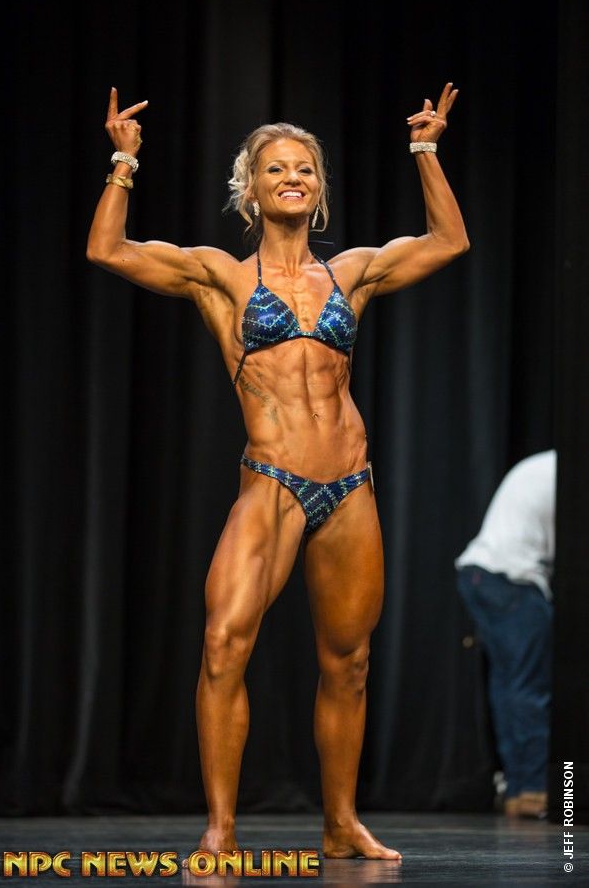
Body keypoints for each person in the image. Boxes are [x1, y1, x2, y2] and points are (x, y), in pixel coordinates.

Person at [87, 82, 468, 860]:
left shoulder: (351, 273)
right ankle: (221, 828)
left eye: (305, 169)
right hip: (273, 483)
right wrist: (124, 162)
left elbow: (447, 242)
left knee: (349, 663)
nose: (292, 177)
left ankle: (340, 824)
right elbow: (108, 251)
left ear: (319, 188)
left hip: (349, 485)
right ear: (251, 190)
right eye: (275, 169)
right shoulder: (222, 278)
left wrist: (425, 148)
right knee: (224, 644)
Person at [455, 450, 556, 819]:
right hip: (511, 578)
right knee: (530, 685)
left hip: (479, 574)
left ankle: (517, 789)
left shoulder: (543, 464)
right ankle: (533, 788)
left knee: (509, 683)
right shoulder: (568, 472)